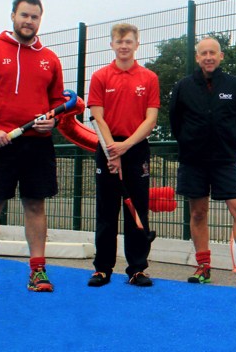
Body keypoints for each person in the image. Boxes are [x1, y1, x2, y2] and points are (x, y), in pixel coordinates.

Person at [0, 0, 67, 296]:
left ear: (40, 20)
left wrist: (53, 121)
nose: (29, 21)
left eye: (34, 17)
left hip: (37, 145)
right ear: (13, 16)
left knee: (35, 205)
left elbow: (58, 103)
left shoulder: (50, 58)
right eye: (24, 15)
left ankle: (38, 270)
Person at [168, 37, 236, 286]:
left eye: (212, 53)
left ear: (221, 56)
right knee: (198, 213)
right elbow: (175, 122)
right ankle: (203, 267)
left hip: (225, 159)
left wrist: (227, 141)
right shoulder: (183, 86)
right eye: (203, 53)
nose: (208, 57)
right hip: (193, 160)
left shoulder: (235, 85)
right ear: (197, 58)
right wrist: (191, 142)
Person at [86, 23, 160, 288]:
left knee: (137, 210)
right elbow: (97, 117)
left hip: (135, 148)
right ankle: (102, 268)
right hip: (108, 148)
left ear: (137, 44)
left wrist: (125, 146)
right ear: (112, 45)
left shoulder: (149, 78)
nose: (124, 46)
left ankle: (137, 269)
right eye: (119, 42)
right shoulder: (100, 77)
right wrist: (112, 150)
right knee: (106, 210)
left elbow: (151, 119)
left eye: (129, 41)